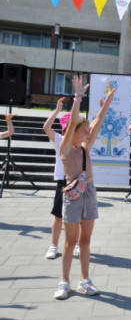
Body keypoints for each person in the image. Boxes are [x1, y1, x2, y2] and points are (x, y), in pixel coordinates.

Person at [54, 75, 115, 300]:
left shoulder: (85, 145)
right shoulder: (66, 148)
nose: (89, 132)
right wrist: (78, 98)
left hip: (89, 192)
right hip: (72, 196)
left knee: (85, 241)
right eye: (85, 130)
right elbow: (72, 124)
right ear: (74, 131)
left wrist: (107, 104)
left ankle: (85, 280)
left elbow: (97, 122)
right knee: (70, 242)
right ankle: (64, 282)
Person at [42, 98, 80, 259]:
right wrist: (57, 110)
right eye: (66, 128)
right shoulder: (58, 139)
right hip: (62, 181)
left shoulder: (79, 141)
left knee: (76, 217)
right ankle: (54, 245)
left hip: (77, 182)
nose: (68, 131)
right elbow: (46, 127)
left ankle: (77, 244)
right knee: (58, 216)